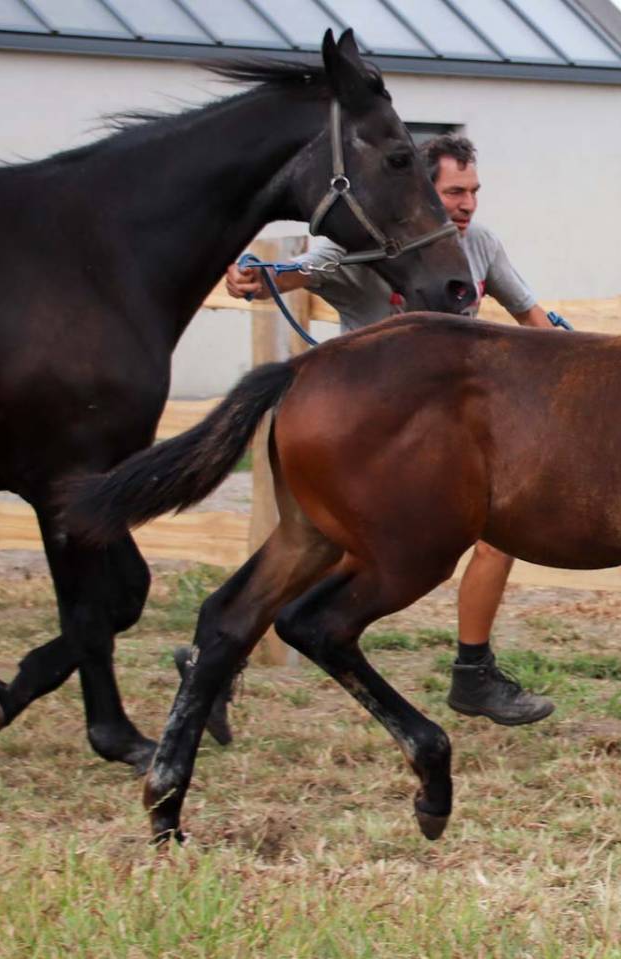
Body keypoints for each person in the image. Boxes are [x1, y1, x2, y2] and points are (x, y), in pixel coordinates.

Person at [199, 135, 557, 729]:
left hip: (446, 429)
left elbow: (533, 317)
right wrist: (257, 279)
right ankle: (224, 650)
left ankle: (472, 671)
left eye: (473, 191)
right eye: (453, 192)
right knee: (342, 556)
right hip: (369, 430)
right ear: (421, 189)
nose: (466, 204)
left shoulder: (481, 246)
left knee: (485, 537)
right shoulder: (362, 246)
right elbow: (299, 273)